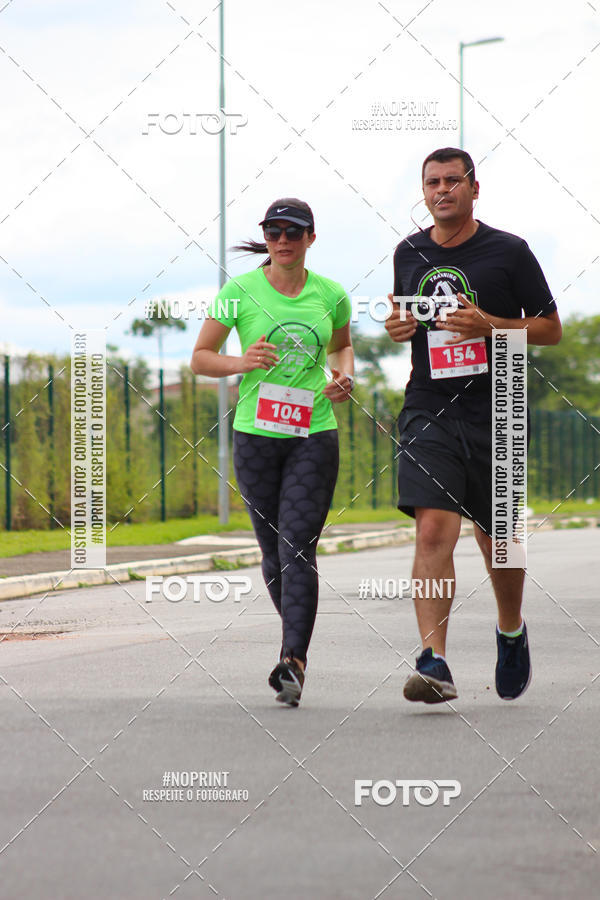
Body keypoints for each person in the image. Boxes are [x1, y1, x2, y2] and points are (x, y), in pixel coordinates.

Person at [385, 148, 561, 704]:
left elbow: (551, 328)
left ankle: (511, 628)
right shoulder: (408, 252)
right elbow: (410, 319)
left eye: (452, 181)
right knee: (434, 527)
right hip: (429, 403)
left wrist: (491, 325)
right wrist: (398, 325)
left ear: (474, 189)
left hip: (500, 401)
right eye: (432, 182)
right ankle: (433, 659)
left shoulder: (509, 252)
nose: (442, 190)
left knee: (499, 540)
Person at [191, 198, 354, 706]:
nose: (283, 240)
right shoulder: (237, 292)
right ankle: (295, 646)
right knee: (272, 553)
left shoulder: (331, 295)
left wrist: (344, 375)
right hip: (256, 435)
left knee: (297, 546)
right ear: (265, 238)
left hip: (313, 434)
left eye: (293, 232)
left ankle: (292, 661)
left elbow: (341, 348)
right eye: (273, 231)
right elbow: (200, 358)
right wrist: (242, 361)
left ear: (310, 238)